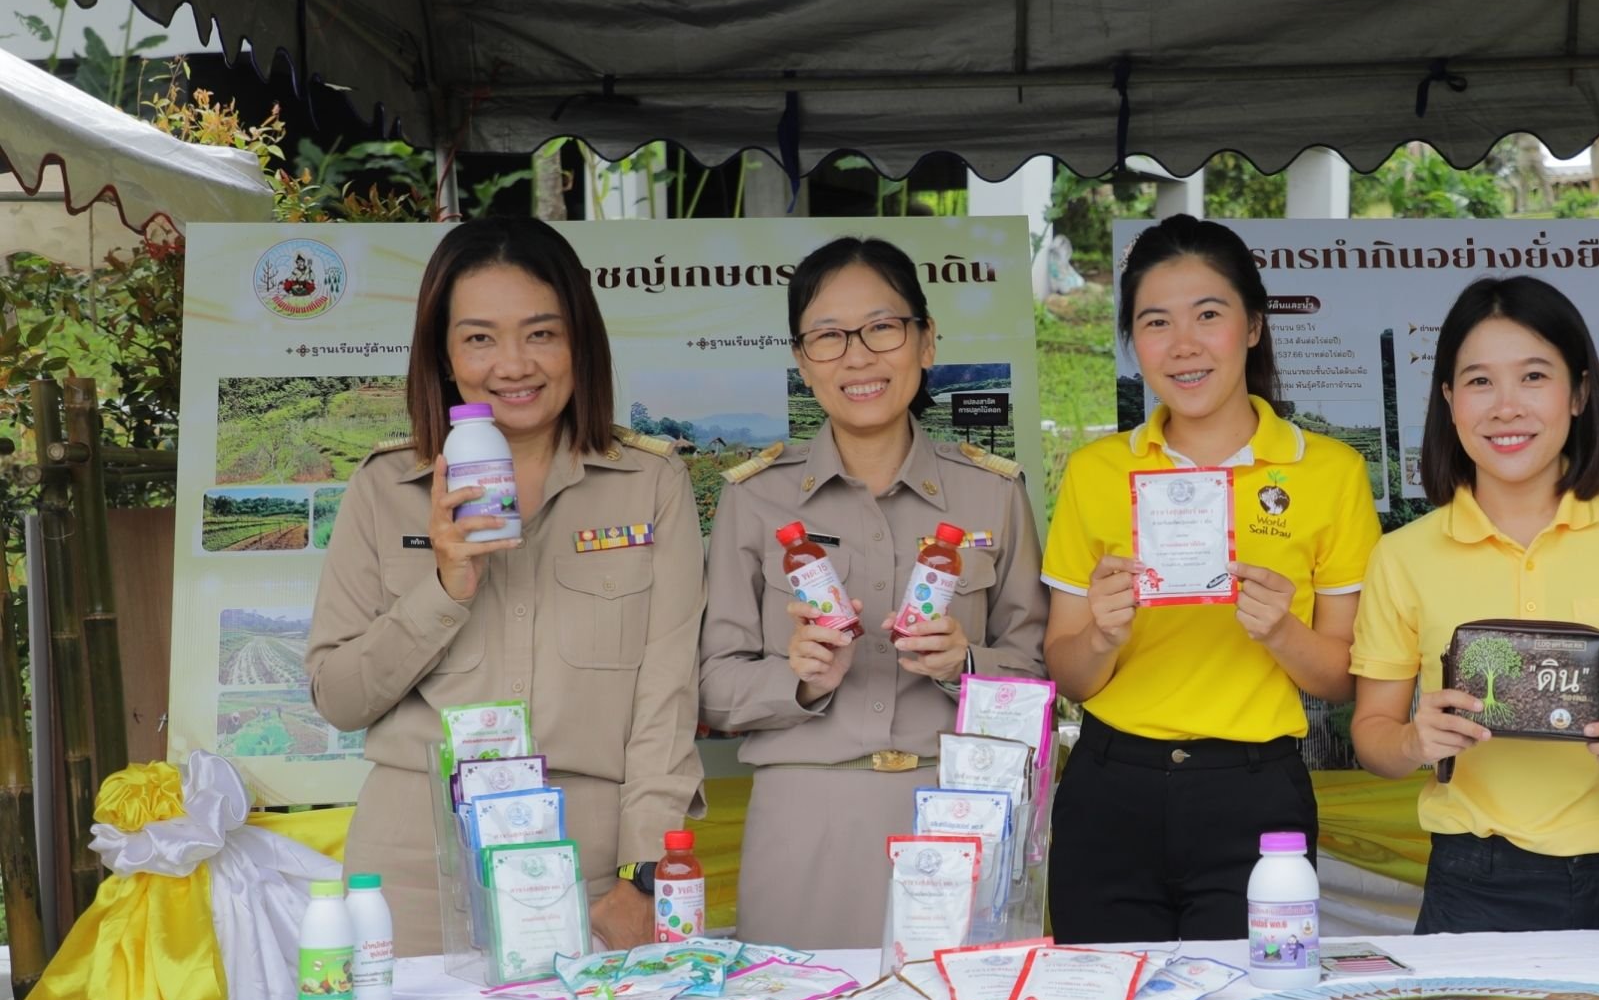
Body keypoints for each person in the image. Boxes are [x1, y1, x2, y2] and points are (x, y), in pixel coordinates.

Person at [308, 217, 702, 954]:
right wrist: (445, 587)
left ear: (579, 343)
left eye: (541, 334)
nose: (513, 364)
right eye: (480, 337)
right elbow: (339, 695)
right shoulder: (387, 487)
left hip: (588, 866)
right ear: (445, 354)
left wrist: (644, 874)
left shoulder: (650, 484)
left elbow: (667, 699)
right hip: (412, 864)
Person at [699, 236, 1046, 950]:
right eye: (827, 337)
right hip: (805, 816)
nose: (857, 357)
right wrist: (795, 679)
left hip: (960, 811)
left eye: (883, 328)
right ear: (802, 361)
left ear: (925, 342)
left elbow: (1042, 675)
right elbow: (712, 686)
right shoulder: (756, 497)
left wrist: (966, 667)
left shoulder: (994, 494)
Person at [1041, 214, 1379, 941]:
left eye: (1209, 315)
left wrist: (1282, 632)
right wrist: (1101, 635)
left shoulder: (1330, 472)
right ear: (1133, 343)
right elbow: (1068, 674)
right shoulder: (1097, 473)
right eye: (1156, 322)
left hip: (1255, 798)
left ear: (1253, 326)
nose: (1184, 345)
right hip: (1109, 786)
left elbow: (1344, 676)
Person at [1349, 275, 1599, 932]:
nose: (1506, 407)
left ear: (1579, 394)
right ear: (1450, 401)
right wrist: (1411, 740)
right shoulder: (1403, 556)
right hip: (1475, 881)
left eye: (1534, 377)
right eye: (1480, 381)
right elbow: (1372, 734)